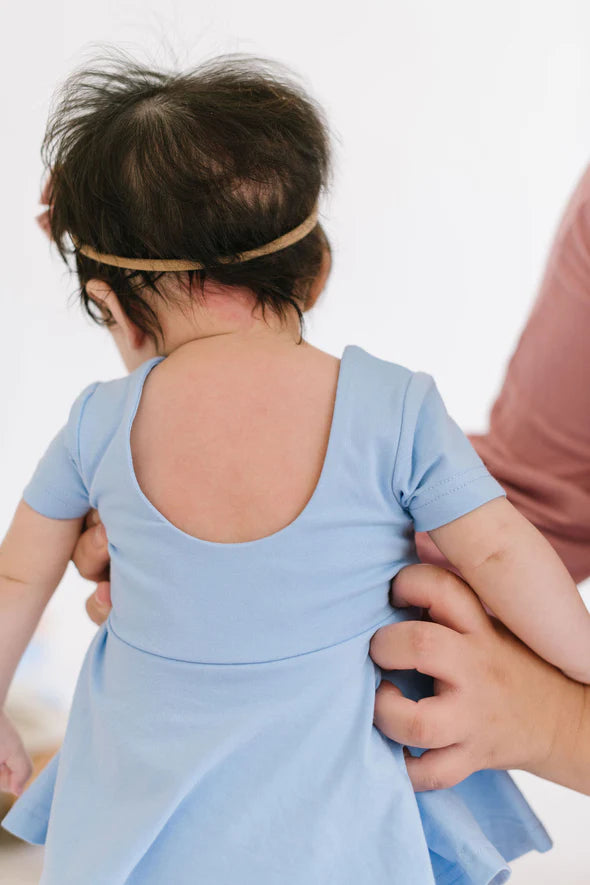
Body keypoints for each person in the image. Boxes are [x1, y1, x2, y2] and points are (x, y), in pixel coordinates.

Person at [0, 47, 583, 883]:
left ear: (114, 306)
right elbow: (502, 552)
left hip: (156, 831)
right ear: (316, 271)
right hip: (351, 822)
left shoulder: (98, 423)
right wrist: (582, 668)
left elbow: (17, 582)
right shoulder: (394, 404)